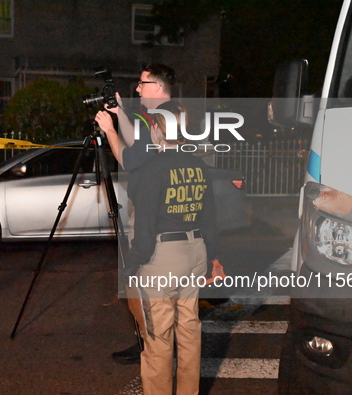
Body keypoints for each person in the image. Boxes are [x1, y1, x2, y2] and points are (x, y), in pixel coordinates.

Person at [126, 102, 217, 394]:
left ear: (156, 129)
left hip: (163, 257)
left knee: (158, 338)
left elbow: (145, 225)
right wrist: (214, 258)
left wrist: (133, 264)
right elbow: (210, 218)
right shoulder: (199, 166)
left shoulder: (152, 168)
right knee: (189, 331)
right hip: (196, 251)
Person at [94, 63, 178, 364]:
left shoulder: (157, 120)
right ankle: (153, 341)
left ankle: (151, 345)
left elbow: (129, 158)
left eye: (142, 83)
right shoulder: (167, 115)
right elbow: (138, 143)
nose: (138, 88)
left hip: (151, 211)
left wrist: (108, 130)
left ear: (157, 86)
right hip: (165, 210)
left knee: (142, 280)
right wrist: (121, 115)